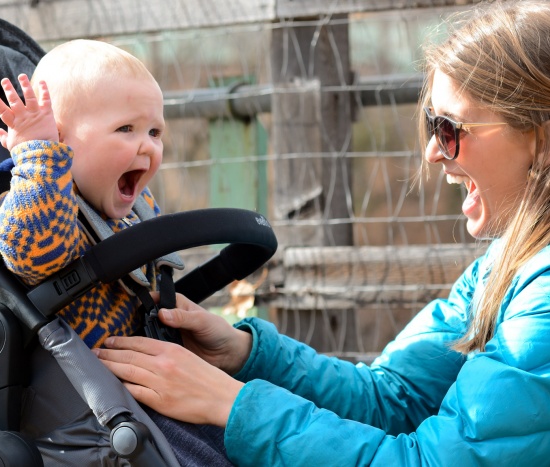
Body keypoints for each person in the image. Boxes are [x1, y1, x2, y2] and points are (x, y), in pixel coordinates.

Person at [94, 1, 550, 465]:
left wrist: (229, 405)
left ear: (539, 137)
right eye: (432, 125)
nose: (433, 151)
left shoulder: (545, 299)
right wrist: (245, 354)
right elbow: (393, 398)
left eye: (451, 128)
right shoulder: (506, 263)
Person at [0, 39, 179, 350]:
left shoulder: (136, 204)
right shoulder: (38, 202)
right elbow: (34, 255)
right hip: (95, 388)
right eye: (126, 128)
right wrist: (40, 157)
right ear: (59, 138)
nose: (148, 146)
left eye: (154, 132)